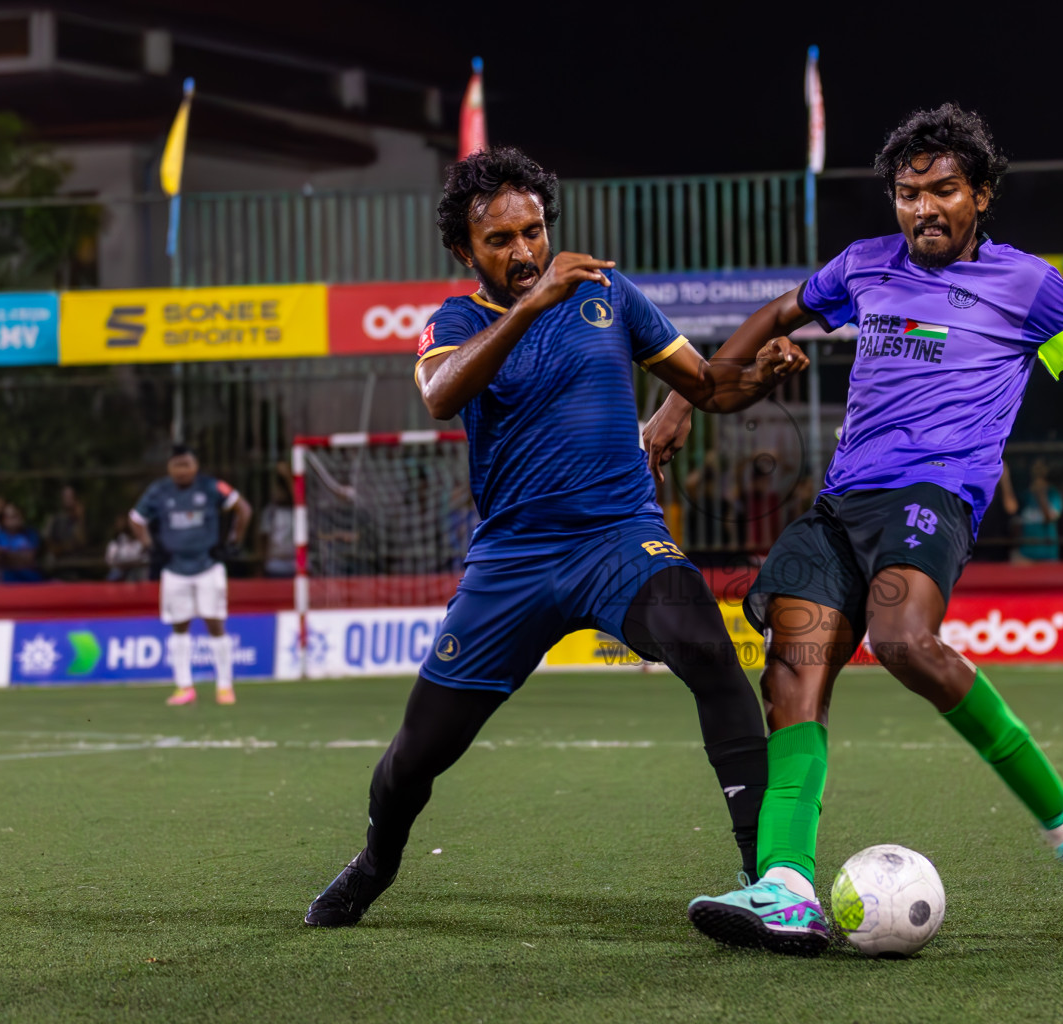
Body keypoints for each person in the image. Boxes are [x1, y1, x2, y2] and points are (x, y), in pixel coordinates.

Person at [644, 104, 1063, 955]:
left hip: (932, 497)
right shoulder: (862, 266)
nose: (923, 208)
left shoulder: (1029, 289)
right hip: (842, 504)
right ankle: (785, 883)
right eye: (907, 192)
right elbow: (779, 314)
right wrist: (681, 395)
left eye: (944, 191)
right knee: (794, 665)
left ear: (982, 196)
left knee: (903, 641)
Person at [303, 146, 809, 928]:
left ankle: (766, 882)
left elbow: (705, 388)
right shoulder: (456, 322)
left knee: (708, 651)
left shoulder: (610, 296)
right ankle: (376, 863)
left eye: (533, 231)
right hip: (513, 562)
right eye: (500, 239)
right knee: (417, 754)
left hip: (619, 539)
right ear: (463, 251)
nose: (524, 251)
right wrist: (531, 306)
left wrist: (760, 377)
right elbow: (440, 395)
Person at [129, 445, 252, 706]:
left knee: (215, 622)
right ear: (169, 468)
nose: (181, 471)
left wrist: (233, 542)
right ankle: (184, 686)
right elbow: (136, 519)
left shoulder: (211, 487)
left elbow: (243, 509)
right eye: (176, 465)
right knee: (179, 626)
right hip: (174, 569)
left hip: (208, 565)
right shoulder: (159, 491)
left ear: (195, 466)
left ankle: (224, 686)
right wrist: (151, 547)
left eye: (186, 465)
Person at [1012, 458, 1062, 562]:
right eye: (1035, 468)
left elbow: (1049, 517)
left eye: (1040, 468)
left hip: (1047, 555)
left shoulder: (1053, 494)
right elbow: (1014, 518)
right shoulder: (1025, 495)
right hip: (1025, 555)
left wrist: (1041, 494)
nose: (1037, 472)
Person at [0, 502, 45, 582]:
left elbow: (30, 559)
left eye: (17, 515)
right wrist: (18, 557)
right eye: (11, 517)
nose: (16, 519)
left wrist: (5, 557)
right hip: (7, 582)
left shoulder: (31, 533)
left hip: (32, 580)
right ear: (3, 520)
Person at [43, 485, 88, 579]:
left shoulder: (81, 520)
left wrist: (80, 519)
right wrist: (65, 547)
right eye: (66, 497)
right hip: (59, 568)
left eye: (72, 497)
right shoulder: (54, 519)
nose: (69, 500)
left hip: (78, 569)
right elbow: (49, 545)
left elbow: (82, 541)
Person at [105, 513, 149, 581]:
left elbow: (144, 557)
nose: (121, 524)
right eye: (119, 522)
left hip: (136, 569)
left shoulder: (139, 541)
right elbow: (110, 559)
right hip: (120, 569)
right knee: (114, 574)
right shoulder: (116, 542)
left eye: (124, 521)